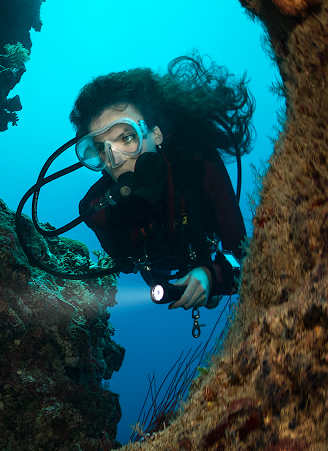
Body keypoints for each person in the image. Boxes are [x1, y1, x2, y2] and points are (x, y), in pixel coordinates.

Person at [71, 56, 251, 313]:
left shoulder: (200, 165)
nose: (115, 158)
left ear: (155, 134)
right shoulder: (98, 210)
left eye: (127, 137)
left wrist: (214, 275)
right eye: (101, 148)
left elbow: (245, 260)